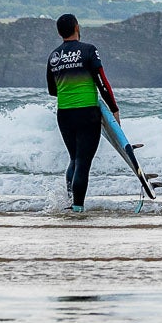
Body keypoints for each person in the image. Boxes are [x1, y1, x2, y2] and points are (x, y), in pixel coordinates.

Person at [47, 13, 119, 213]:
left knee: (74, 159)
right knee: (83, 162)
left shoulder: (54, 56)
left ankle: (72, 203)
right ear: (77, 27)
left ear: (60, 33)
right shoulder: (88, 50)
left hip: (64, 114)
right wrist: (114, 109)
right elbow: (102, 82)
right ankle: (77, 208)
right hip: (87, 113)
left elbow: (52, 90)